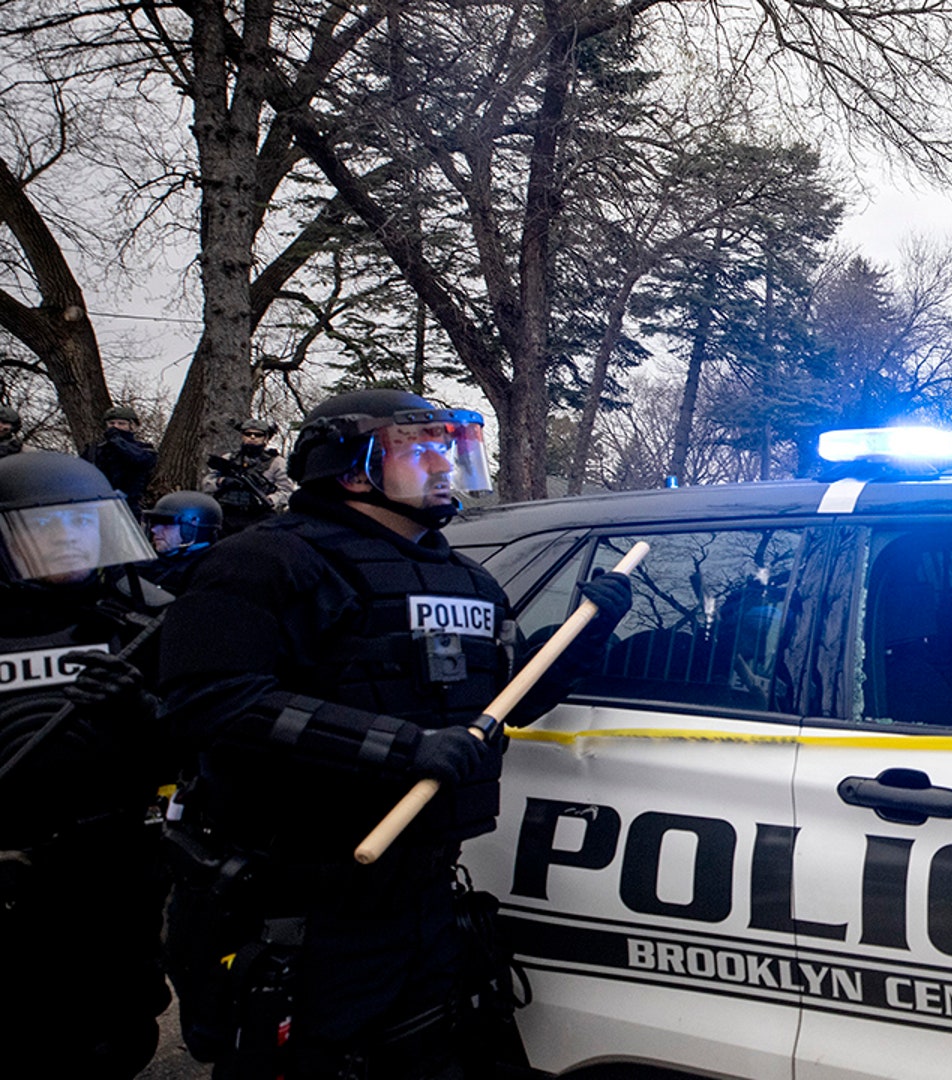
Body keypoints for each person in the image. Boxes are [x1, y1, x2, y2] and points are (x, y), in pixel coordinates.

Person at [157, 389, 633, 1078]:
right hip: (304, 906)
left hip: (426, 899)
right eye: (423, 451)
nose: (446, 466)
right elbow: (212, 701)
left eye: (453, 450)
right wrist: (401, 749)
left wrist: (587, 634)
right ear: (353, 468)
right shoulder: (266, 563)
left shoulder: (469, 582)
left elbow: (510, 706)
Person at [0, 452, 174, 1078]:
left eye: (82, 524)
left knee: (115, 1027)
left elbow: (198, 739)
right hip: (10, 860)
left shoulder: (141, 618)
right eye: (49, 527)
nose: (69, 540)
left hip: (112, 855)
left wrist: (138, 705)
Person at [202, 416, 295, 532]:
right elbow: (206, 484)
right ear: (242, 436)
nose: (252, 437)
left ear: (266, 438)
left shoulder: (276, 462)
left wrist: (270, 500)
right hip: (226, 515)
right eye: (248, 434)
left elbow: (287, 491)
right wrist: (221, 482)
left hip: (258, 517)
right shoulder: (229, 459)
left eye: (258, 435)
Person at [144, 490, 225, 592]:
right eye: (155, 523)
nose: (154, 530)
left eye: (166, 524)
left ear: (191, 529)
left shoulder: (210, 575)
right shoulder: (147, 562)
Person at [80, 405, 159, 507]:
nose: (115, 427)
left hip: (131, 505)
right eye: (111, 423)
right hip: (101, 505)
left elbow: (141, 460)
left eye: (121, 424)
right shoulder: (95, 450)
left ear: (132, 426)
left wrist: (116, 440)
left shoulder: (144, 449)